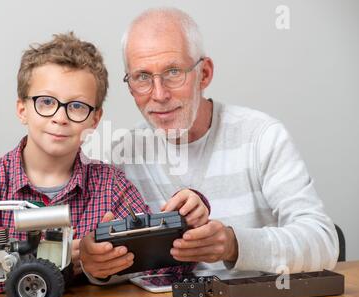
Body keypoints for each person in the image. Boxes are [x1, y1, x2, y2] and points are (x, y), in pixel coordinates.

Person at [80, 7, 338, 279]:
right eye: (142, 77)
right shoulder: (123, 155)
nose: (159, 94)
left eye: (173, 72)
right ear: (130, 86)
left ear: (204, 74)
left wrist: (232, 244)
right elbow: (121, 271)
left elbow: (323, 243)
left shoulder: (262, 137)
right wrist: (95, 266)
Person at [0, 32, 209, 294]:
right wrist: (62, 265)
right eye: (46, 102)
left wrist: (187, 224)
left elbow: (162, 275)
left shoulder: (112, 188)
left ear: (95, 119)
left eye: (78, 106)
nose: (60, 117)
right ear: (22, 109)